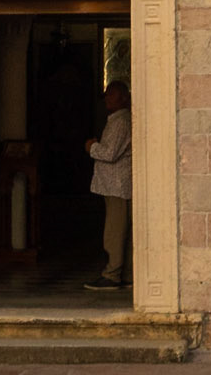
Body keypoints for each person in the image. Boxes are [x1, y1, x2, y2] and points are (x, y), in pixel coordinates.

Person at [84, 79, 131, 290]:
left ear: (123, 97)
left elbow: (110, 153)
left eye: (111, 94)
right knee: (122, 230)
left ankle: (112, 274)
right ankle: (127, 274)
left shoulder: (121, 121)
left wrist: (92, 147)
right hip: (115, 184)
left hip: (117, 185)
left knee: (115, 231)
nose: (107, 99)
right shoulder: (116, 120)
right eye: (106, 94)